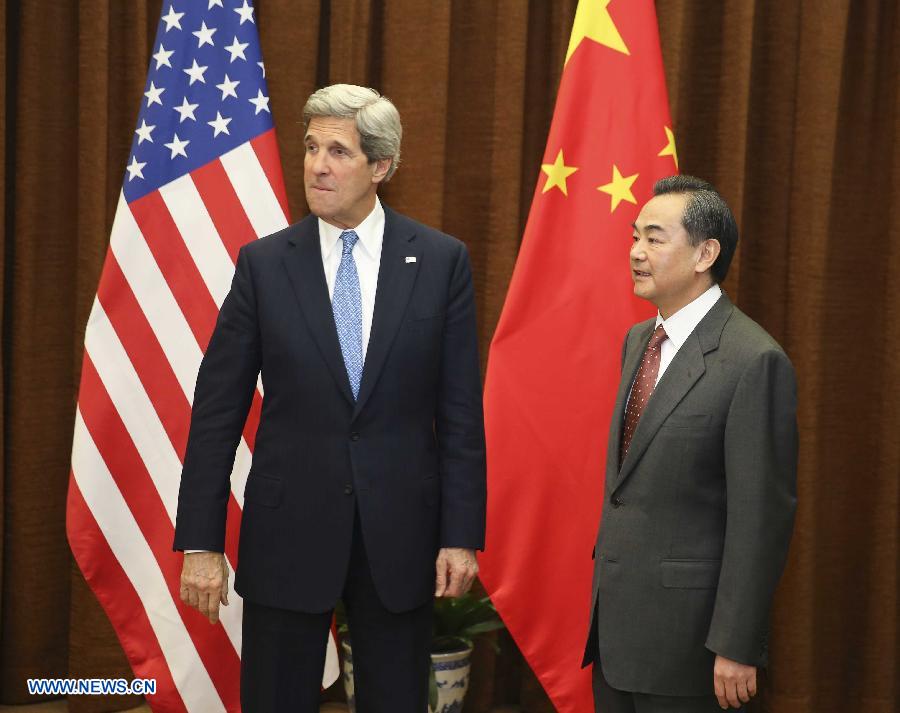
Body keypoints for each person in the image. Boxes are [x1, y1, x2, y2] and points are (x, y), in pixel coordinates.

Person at [173, 84, 486, 712]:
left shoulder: (440, 261)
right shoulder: (263, 265)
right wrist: (201, 542)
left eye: (339, 151)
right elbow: (216, 411)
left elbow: (458, 416)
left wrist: (460, 535)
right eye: (312, 147)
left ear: (382, 167)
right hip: (288, 531)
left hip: (398, 536)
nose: (317, 164)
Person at [583, 175, 798, 712]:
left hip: (691, 647)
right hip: (615, 634)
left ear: (706, 253)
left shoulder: (753, 359)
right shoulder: (640, 339)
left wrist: (737, 643)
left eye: (654, 239)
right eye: (634, 237)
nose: (635, 252)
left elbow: (760, 517)